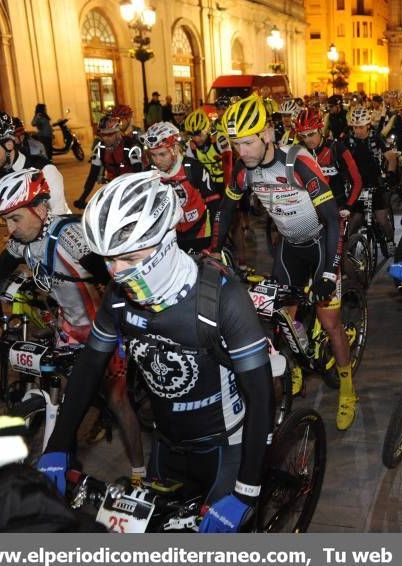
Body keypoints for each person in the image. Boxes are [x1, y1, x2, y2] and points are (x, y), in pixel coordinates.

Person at [37, 171, 274, 533]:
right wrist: (58, 442)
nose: (116, 274)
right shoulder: (118, 297)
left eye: (129, 259)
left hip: (225, 448)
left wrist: (246, 492)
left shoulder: (223, 298)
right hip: (165, 445)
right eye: (108, 260)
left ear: (166, 242)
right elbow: (90, 365)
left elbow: (261, 398)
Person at [0, 168, 145, 481]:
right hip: (69, 328)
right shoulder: (24, 240)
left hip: (102, 330)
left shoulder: (70, 237)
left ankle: (142, 472)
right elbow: (1, 272)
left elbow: (118, 278)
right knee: (66, 401)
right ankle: (67, 466)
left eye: (15, 218)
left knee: (116, 400)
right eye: (5, 220)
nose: (10, 228)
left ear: (41, 208)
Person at [220, 94, 358, 430]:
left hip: (321, 244)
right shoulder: (244, 170)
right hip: (290, 248)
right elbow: (225, 211)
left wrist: (328, 270)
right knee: (279, 315)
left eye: (248, 143)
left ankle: (348, 387)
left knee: (329, 324)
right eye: (236, 144)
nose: (242, 152)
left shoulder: (296, 161)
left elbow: (332, 220)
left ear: (267, 133)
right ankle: (295, 367)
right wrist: (216, 251)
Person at [0, 111, 69, 293]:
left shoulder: (44, 169)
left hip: (58, 241)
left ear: (9, 144)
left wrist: (37, 265)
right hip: (20, 237)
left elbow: (55, 222)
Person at [141, 121, 217, 252]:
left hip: (200, 232)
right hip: (170, 235)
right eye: (153, 155)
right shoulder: (149, 173)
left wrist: (215, 244)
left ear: (175, 149)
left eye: (162, 154)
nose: (157, 161)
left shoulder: (194, 168)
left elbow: (214, 204)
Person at [343, 106, 399, 255]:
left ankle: (390, 241)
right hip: (356, 186)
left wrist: (391, 174)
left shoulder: (376, 138)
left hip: (376, 183)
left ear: (368, 125)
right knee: (354, 220)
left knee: (381, 219)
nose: (358, 131)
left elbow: (391, 157)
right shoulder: (348, 139)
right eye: (355, 127)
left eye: (361, 127)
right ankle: (349, 249)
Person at [73, 114, 145, 209]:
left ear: (118, 132)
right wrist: (82, 198)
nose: (105, 138)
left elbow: (138, 174)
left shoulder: (130, 146)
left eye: (109, 134)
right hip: (112, 187)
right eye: (103, 135)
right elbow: (92, 176)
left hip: (132, 187)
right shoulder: (100, 148)